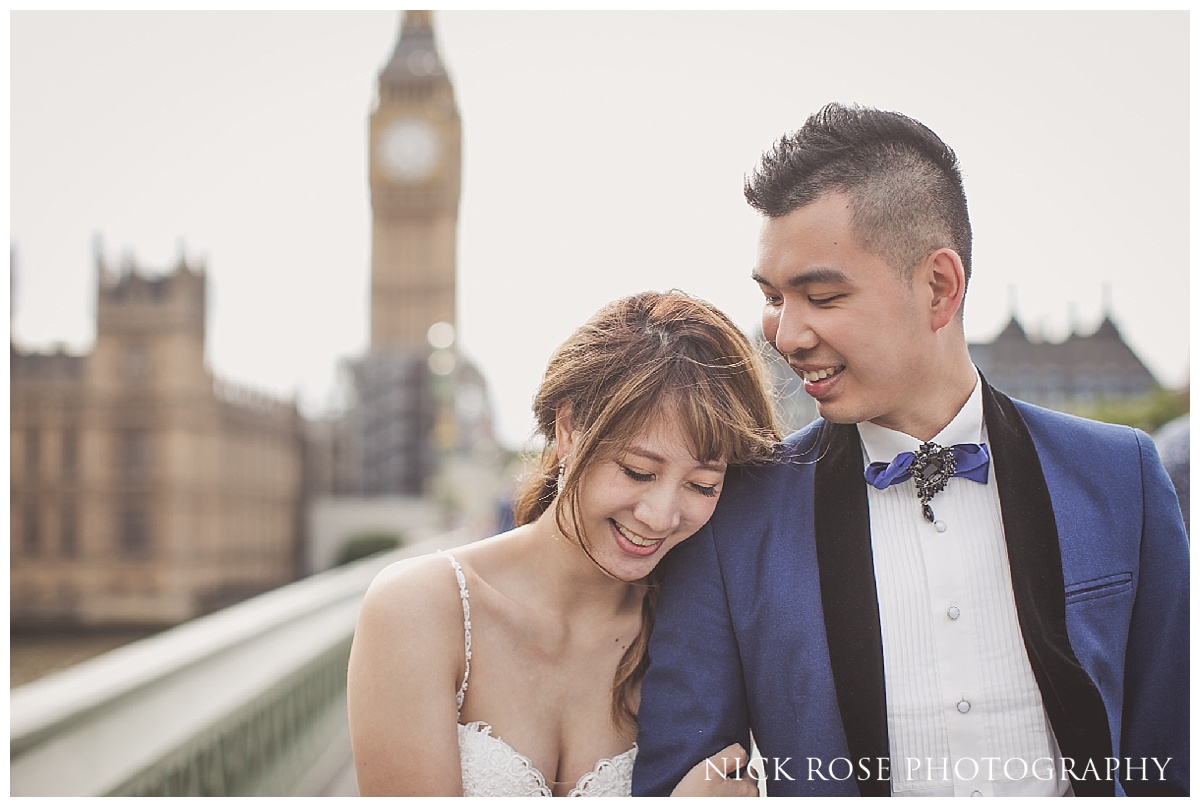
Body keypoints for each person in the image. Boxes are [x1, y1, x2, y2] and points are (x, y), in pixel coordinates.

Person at [633, 103, 1189, 797]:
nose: (786, 334)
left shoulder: (1122, 477)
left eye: (822, 295)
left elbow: (1171, 759)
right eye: (774, 297)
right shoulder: (735, 517)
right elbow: (675, 776)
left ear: (939, 286)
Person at [346, 290, 779, 796]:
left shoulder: (700, 631)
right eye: (637, 471)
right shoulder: (419, 609)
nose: (661, 516)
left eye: (702, 485)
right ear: (569, 427)